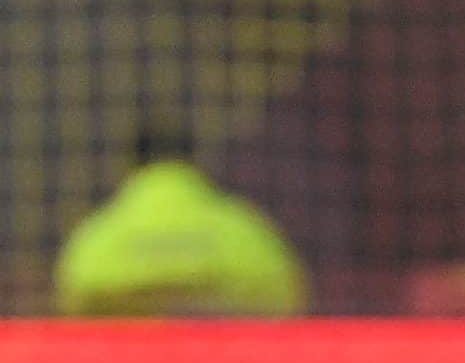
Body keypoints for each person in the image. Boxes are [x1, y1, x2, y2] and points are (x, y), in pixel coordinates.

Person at [54, 120, 307, 317]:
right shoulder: (244, 232)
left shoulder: (97, 239)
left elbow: (73, 296)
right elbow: (286, 296)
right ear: (193, 160)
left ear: (132, 163)